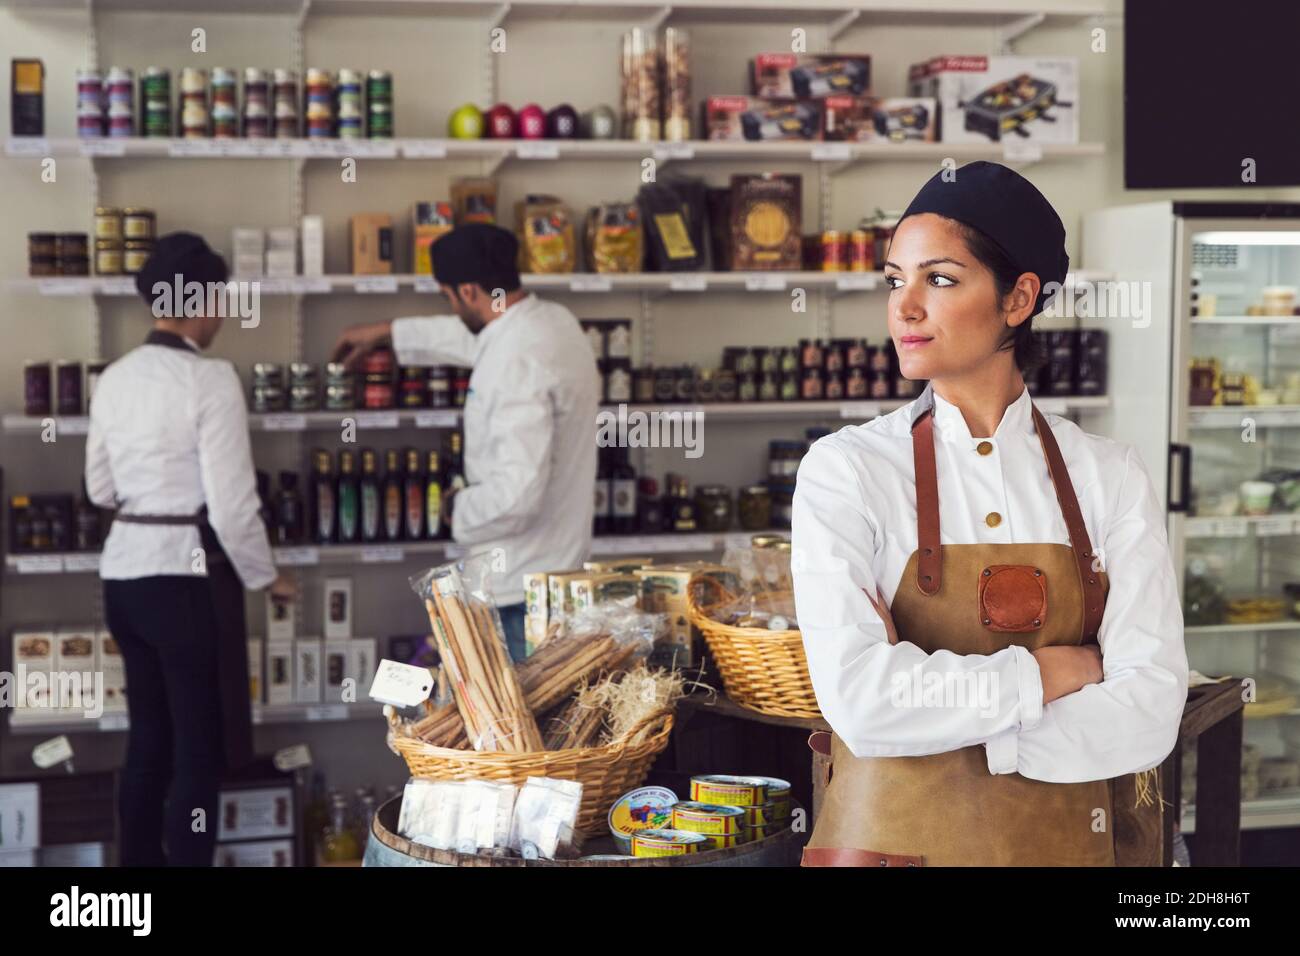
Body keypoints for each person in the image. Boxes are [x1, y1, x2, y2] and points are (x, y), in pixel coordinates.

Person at [792, 162, 1189, 867]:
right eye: (894, 279)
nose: (904, 306)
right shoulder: (846, 469)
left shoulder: (1109, 474)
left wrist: (950, 730)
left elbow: (1151, 710)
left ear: (1019, 298)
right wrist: (1050, 676)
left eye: (939, 279)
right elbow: (859, 703)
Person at [85, 232, 297, 867]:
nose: (225, 313)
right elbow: (232, 505)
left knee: (147, 740)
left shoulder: (114, 379)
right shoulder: (211, 380)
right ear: (198, 300)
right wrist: (269, 579)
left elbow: (99, 487)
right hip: (183, 577)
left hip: (124, 576)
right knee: (198, 749)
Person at [331, 223, 600, 661]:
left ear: (470, 291)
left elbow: (517, 497)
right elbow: (476, 338)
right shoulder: (553, 324)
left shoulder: (515, 361)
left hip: (518, 589)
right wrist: (388, 332)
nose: (452, 306)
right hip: (555, 573)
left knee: (513, 727)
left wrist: (454, 509)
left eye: (449, 296)